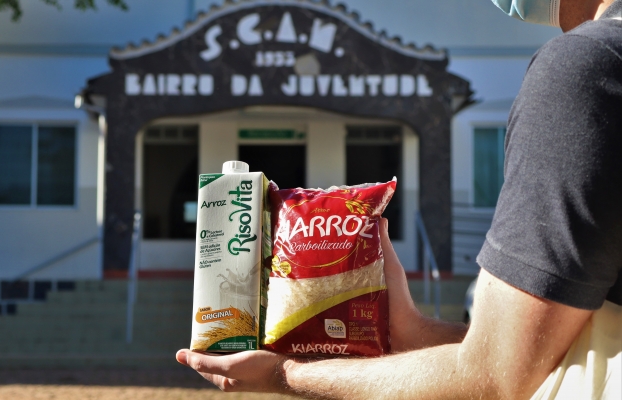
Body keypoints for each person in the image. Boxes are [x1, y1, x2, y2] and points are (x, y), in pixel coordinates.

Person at [176, 0, 622, 398]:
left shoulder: (586, 68)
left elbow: (491, 377)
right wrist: (408, 330)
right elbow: (528, 350)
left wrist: (283, 374)